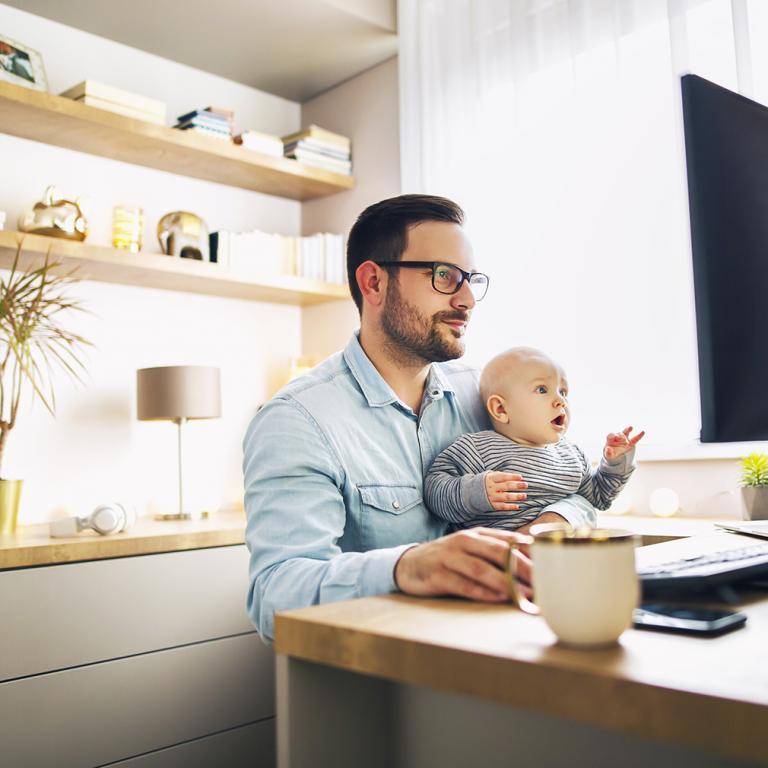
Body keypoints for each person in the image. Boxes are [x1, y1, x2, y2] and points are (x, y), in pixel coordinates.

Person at [243, 195, 596, 642]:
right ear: (373, 282)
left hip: (510, 646)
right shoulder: (297, 421)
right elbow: (275, 596)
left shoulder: (486, 396)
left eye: (470, 279)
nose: (467, 299)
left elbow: (581, 489)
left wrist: (553, 523)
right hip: (388, 680)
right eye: (444, 276)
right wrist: (406, 566)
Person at [424, 347, 644, 530]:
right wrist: (475, 491)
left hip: (559, 560)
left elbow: (599, 497)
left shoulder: (572, 456)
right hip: (495, 563)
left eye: (563, 392)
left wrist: (616, 463)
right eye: (542, 389)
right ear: (500, 409)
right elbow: (434, 489)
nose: (560, 401)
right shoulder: (477, 449)